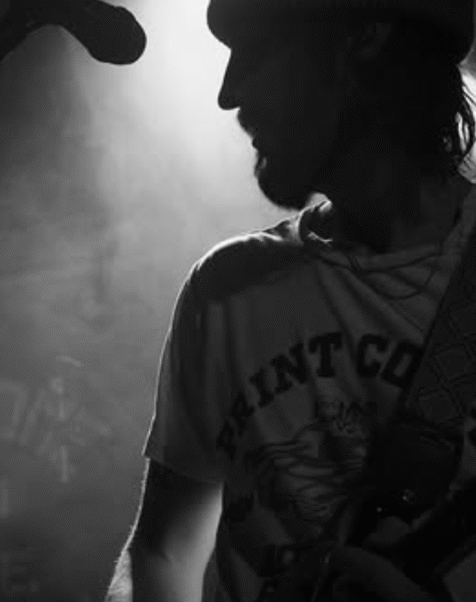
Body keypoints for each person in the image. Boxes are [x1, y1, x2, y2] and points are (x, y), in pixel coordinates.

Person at [105, 1, 476, 601]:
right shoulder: (225, 290)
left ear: (365, 40)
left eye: (257, 51)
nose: (229, 94)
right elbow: (162, 551)